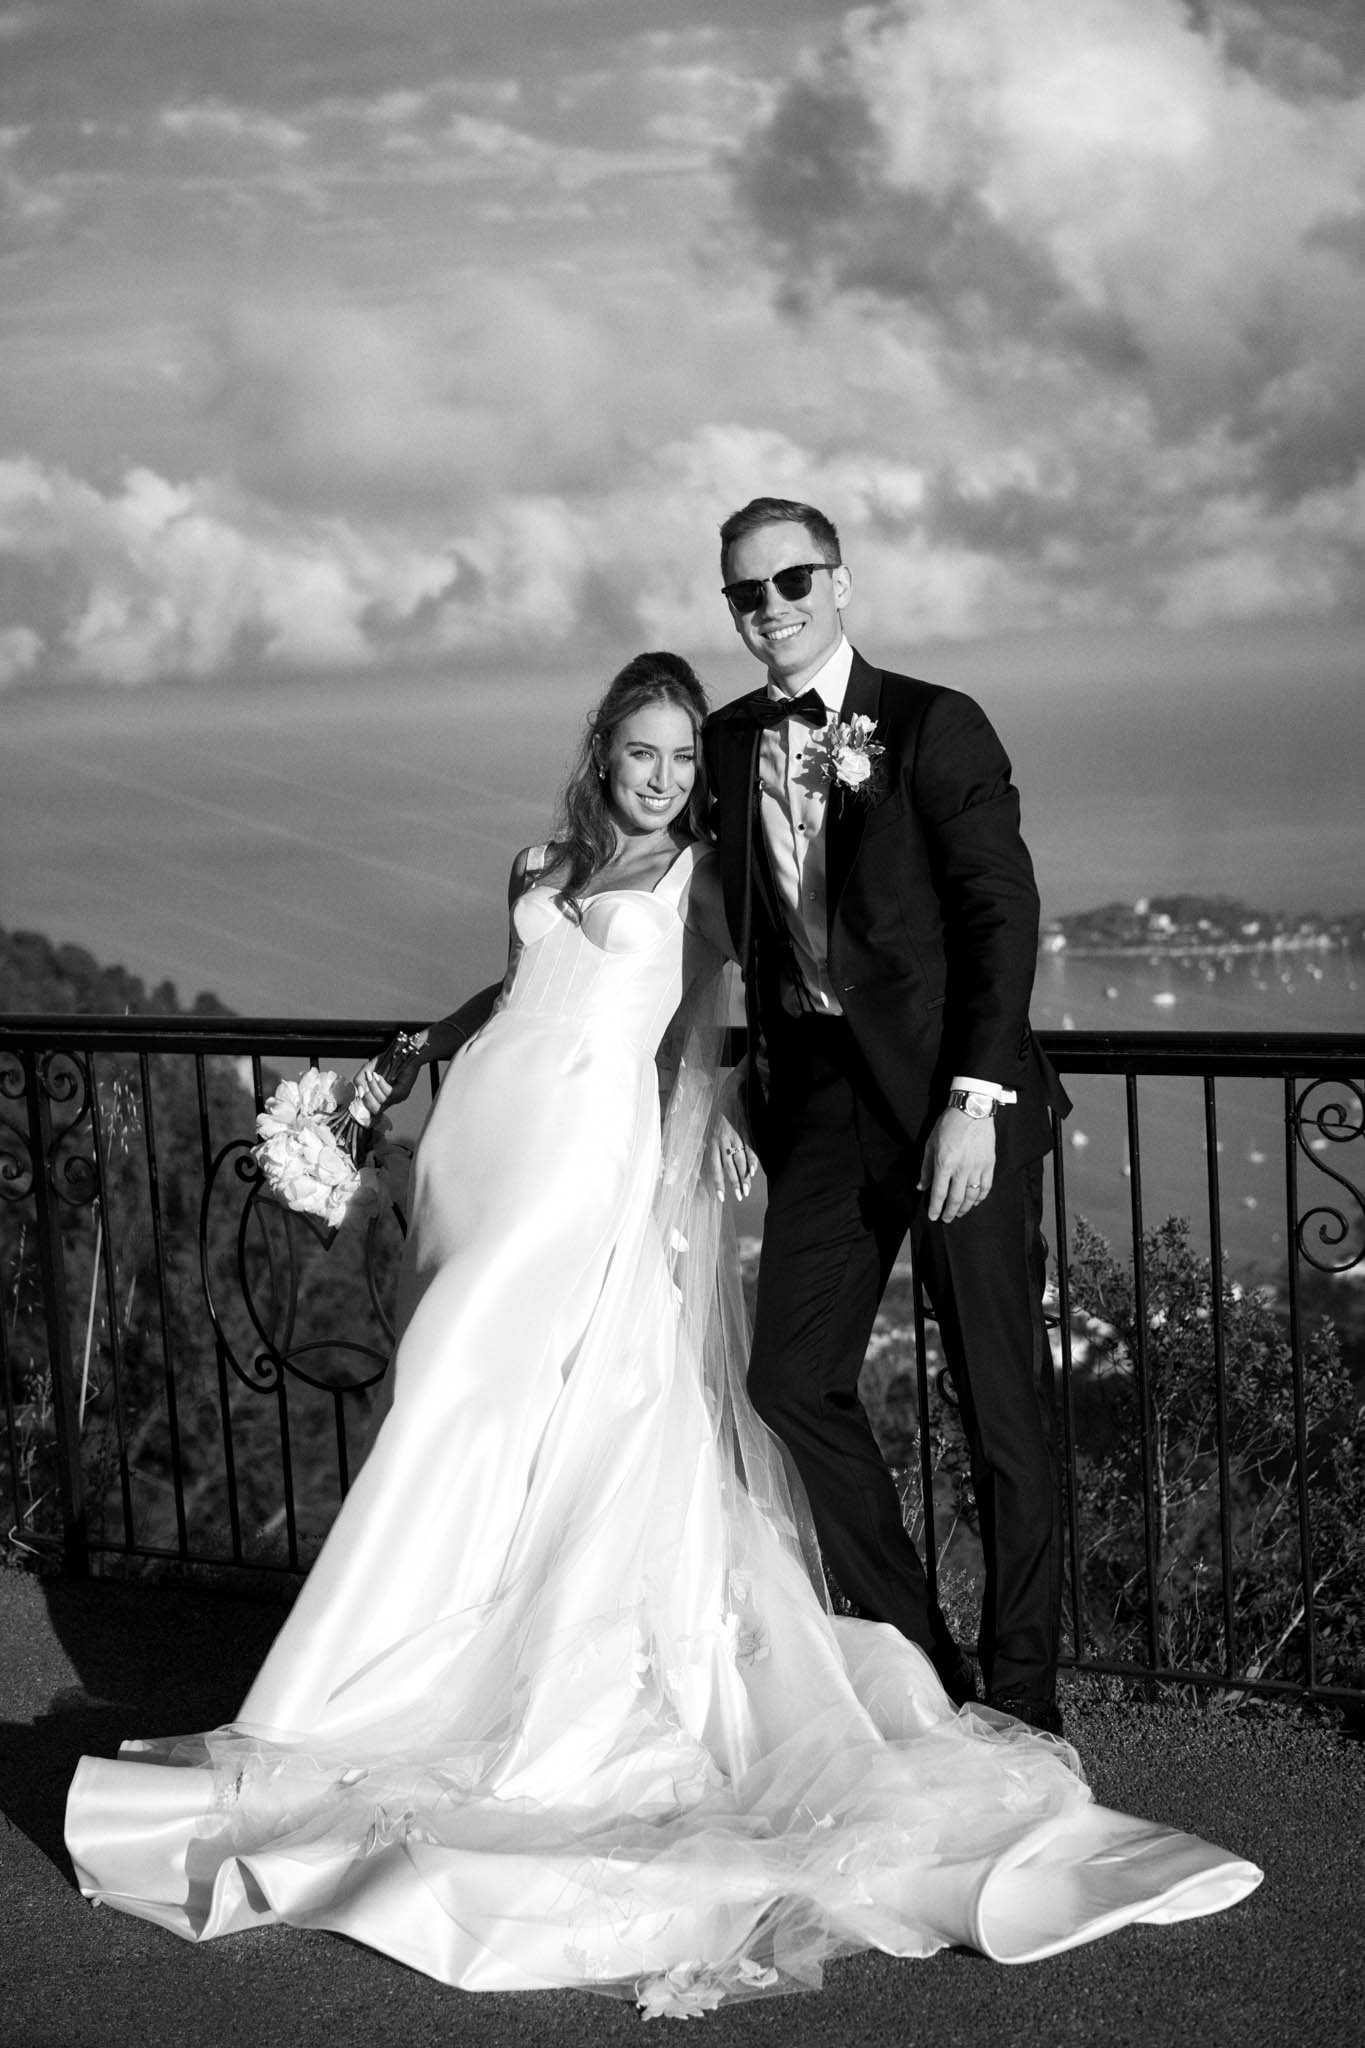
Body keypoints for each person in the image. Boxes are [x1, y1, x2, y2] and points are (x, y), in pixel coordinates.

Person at [66, 651, 1260, 2018]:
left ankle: (411, 1680)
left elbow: (717, 1027)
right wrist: (407, 1058)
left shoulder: (702, 882)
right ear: (601, 752)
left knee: (489, 1383)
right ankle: (409, 1640)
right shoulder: (533, 858)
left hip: (588, 1166)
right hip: (488, 1144)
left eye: (684, 759)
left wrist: (714, 1148)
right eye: (643, 752)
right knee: (459, 1400)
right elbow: (518, 995)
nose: (665, 775)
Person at [703, 495, 1071, 1734]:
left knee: (1000, 1407)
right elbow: (695, 898)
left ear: (843, 581)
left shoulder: (933, 722)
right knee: (788, 1379)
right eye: (747, 593)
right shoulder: (722, 740)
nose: (773, 609)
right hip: (820, 1110)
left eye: (794, 581)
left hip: (955, 1107)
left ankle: (1022, 1701)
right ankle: (929, 1665)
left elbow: (998, 916)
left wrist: (974, 1100)